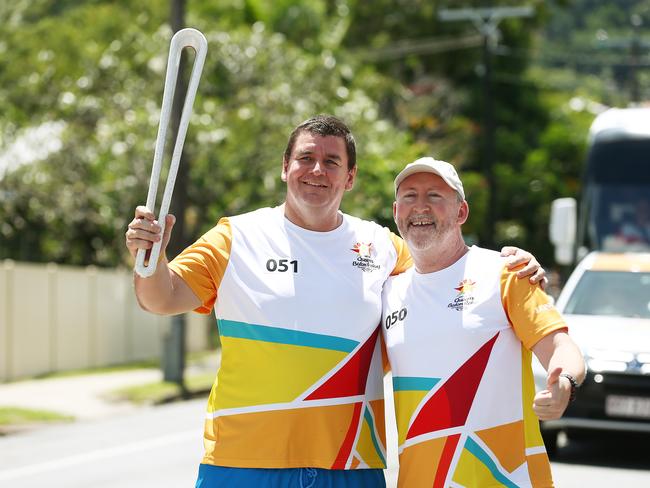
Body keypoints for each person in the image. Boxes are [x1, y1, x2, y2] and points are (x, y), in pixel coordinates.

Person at [125, 115, 545, 487]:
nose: (317, 170)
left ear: (350, 177)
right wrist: (151, 258)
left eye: (332, 162)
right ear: (285, 167)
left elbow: (449, 274)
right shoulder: (236, 236)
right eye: (306, 158)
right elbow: (161, 297)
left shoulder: (384, 248)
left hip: (351, 465)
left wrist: (510, 265)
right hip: (242, 461)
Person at [382, 157, 585, 488]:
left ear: (461, 212)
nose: (420, 207)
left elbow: (560, 346)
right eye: (409, 196)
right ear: (396, 212)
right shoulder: (388, 291)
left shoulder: (506, 274)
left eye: (434, 196)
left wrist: (564, 384)